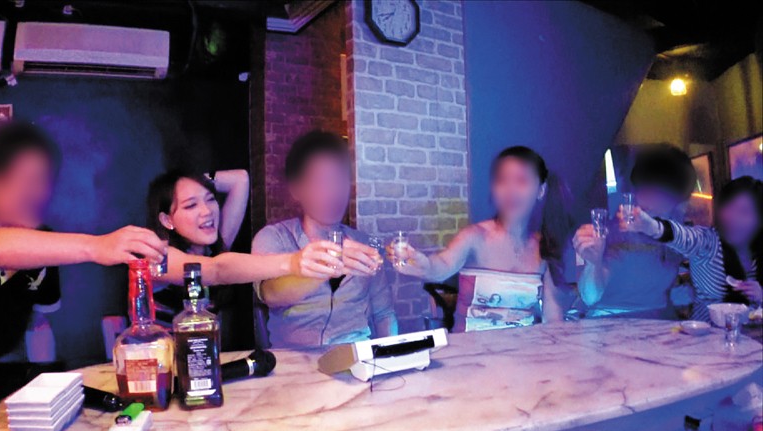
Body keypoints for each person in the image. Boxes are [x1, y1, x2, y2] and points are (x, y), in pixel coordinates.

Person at [0, 121, 166, 411]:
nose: (38, 191)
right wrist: (97, 246)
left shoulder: (44, 243)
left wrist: (44, 383)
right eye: (24, 178)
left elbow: (38, 323)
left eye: (43, 179)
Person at [388, 146, 574, 332]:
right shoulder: (475, 236)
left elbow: (553, 318)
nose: (511, 190)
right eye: (502, 180)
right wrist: (425, 266)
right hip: (471, 347)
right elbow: (442, 265)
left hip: (523, 348)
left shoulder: (544, 247)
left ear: (541, 190)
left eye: (521, 181)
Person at [146, 170, 346, 334]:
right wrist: (294, 262)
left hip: (201, 362)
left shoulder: (213, 247)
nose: (207, 211)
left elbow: (240, 179)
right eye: (191, 205)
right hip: (157, 365)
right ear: (167, 220)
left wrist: (197, 179)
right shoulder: (158, 255)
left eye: (210, 199)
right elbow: (217, 270)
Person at [252, 130, 398, 347]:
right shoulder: (273, 238)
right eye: (320, 181)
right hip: (295, 359)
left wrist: (391, 355)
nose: (333, 191)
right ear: (296, 189)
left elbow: (383, 313)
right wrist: (331, 265)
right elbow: (272, 294)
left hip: (355, 355)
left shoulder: (365, 244)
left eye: (339, 179)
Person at [573, 145, 696, 318]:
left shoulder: (675, 234)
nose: (651, 202)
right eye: (646, 191)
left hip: (661, 323)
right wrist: (594, 263)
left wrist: (681, 293)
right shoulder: (610, 231)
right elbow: (590, 296)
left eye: (662, 197)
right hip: (608, 322)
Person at [619, 176, 762, 320]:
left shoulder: (757, 254)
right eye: (729, 208)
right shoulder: (709, 243)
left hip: (750, 333)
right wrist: (649, 226)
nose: (733, 218)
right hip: (706, 331)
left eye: (744, 212)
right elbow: (682, 236)